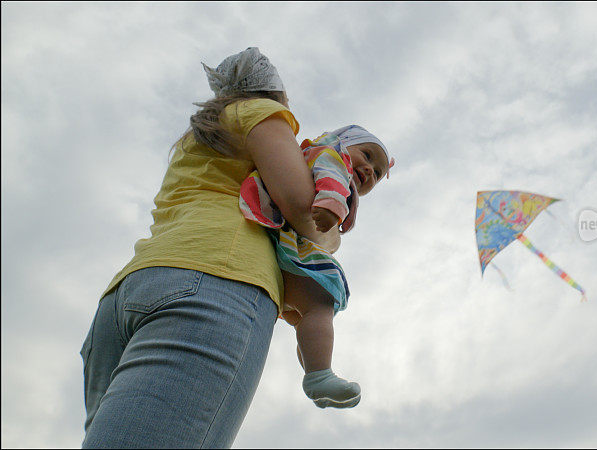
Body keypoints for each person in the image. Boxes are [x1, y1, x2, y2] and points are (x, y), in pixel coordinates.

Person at [79, 47, 380, 448]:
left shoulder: (201, 135)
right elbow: (302, 208)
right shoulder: (261, 113)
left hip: (129, 291)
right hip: (217, 280)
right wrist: (331, 229)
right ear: (274, 92)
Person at [239, 124, 393, 408]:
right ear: (343, 143)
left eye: (379, 173)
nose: (371, 169)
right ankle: (318, 376)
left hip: (275, 243)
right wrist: (332, 205)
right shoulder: (331, 154)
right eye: (367, 155)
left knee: (306, 318)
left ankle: (317, 376)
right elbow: (329, 175)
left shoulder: (327, 159)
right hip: (287, 242)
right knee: (320, 304)